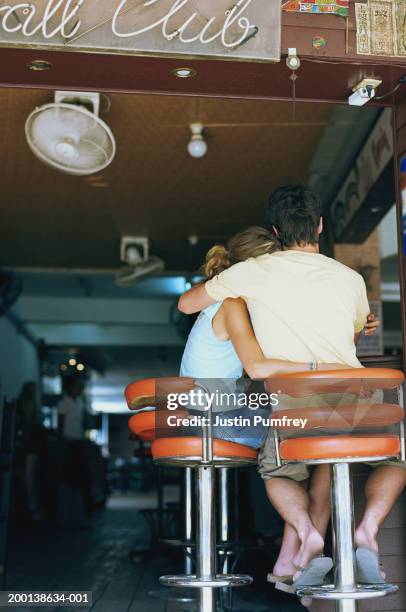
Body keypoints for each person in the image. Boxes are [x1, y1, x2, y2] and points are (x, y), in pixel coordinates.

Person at [178, 184, 403, 588]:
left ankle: (304, 542)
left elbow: (187, 305)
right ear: (319, 225)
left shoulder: (255, 275)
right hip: (355, 396)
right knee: (390, 458)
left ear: (277, 233)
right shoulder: (350, 278)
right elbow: (336, 347)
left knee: (284, 466)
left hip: (287, 402)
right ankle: (362, 532)